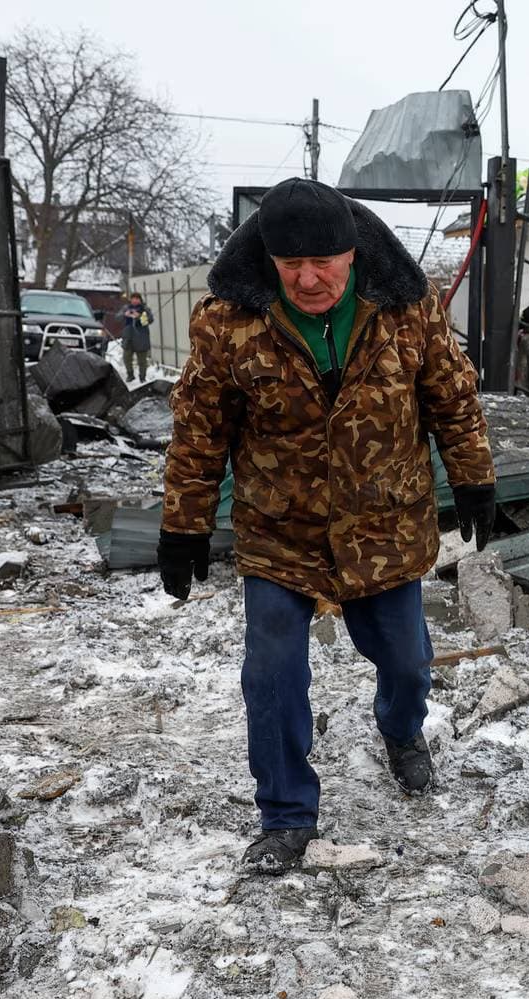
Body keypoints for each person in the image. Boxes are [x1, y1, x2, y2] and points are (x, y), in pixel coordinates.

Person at [158, 177, 497, 873]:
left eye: (324, 263)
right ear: (269, 260)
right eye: (291, 266)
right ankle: (286, 814)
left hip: (385, 524)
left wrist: (473, 478)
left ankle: (402, 733)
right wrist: (183, 523)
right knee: (272, 671)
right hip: (280, 531)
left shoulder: (405, 307)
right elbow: (199, 429)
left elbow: (453, 400)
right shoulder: (229, 320)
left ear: (352, 253)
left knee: (406, 661)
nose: (309, 279)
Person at [119, 292, 153, 382]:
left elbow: (149, 320)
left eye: (137, 299)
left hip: (141, 338)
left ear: (140, 300)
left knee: (142, 360)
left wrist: (139, 316)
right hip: (128, 338)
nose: (134, 300)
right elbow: (117, 318)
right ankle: (130, 374)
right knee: (126, 358)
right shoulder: (126, 308)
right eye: (133, 298)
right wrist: (124, 315)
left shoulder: (145, 309)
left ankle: (142, 377)